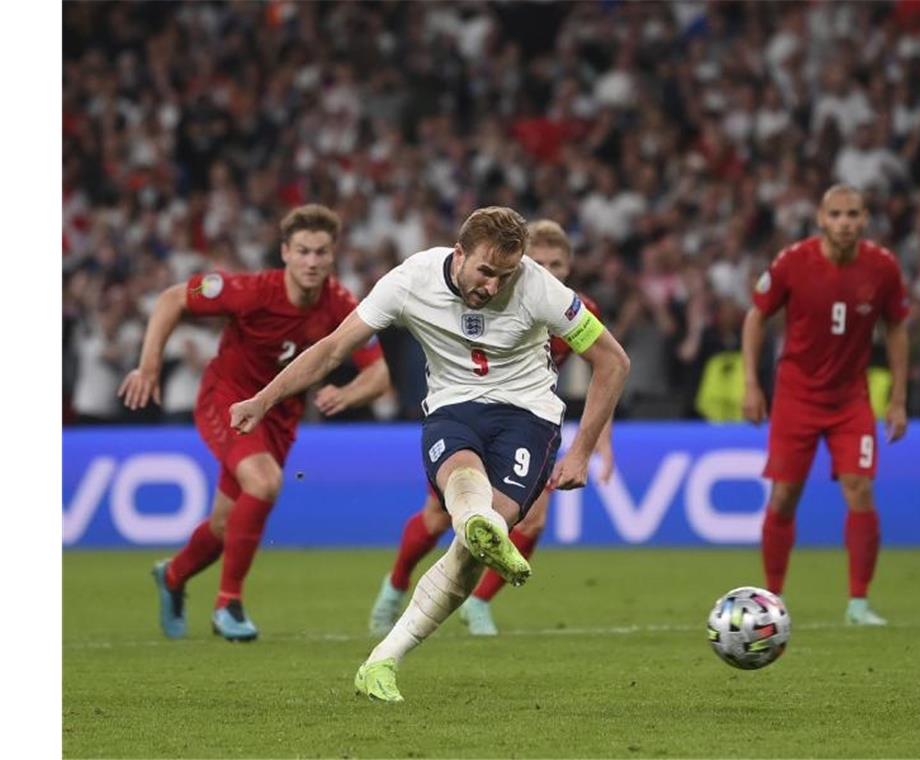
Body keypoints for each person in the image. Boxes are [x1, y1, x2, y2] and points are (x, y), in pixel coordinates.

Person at [228, 206, 630, 702]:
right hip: (452, 407)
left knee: (470, 551)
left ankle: (382, 660)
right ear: (458, 254)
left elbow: (613, 361)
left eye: (505, 275)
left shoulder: (540, 287)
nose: (492, 286)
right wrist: (263, 399)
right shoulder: (410, 280)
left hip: (528, 416)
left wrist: (582, 452)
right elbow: (334, 350)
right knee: (469, 497)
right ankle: (480, 525)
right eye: (485, 271)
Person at [119, 204, 390, 642]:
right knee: (263, 483)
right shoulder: (251, 291)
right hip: (228, 400)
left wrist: (348, 393)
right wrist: (148, 366)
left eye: (321, 252)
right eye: (302, 251)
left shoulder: (341, 304)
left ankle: (173, 575)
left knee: (228, 525)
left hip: (279, 417)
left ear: (333, 254)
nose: (312, 261)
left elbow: (380, 373)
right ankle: (229, 604)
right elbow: (172, 299)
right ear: (284, 252)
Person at [368, 219, 616, 637]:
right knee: (437, 519)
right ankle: (394, 586)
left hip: (526, 423)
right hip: (468, 415)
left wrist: (596, 444)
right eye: (540, 262)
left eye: (557, 263)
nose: (548, 271)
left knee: (530, 521)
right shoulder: (496, 296)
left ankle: (479, 602)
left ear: (569, 268)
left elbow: (606, 371)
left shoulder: (572, 308)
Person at [741, 185, 910, 626]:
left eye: (853, 213)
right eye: (836, 214)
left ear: (866, 218)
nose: (845, 222)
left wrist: (898, 399)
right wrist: (750, 383)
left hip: (851, 397)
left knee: (860, 488)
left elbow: (896, 329)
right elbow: (756, 315)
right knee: (784, 496)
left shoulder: (883, 267)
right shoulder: (792, 261)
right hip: (797, 395)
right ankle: (771, 600)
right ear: (821, 218)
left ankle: (859, 602)